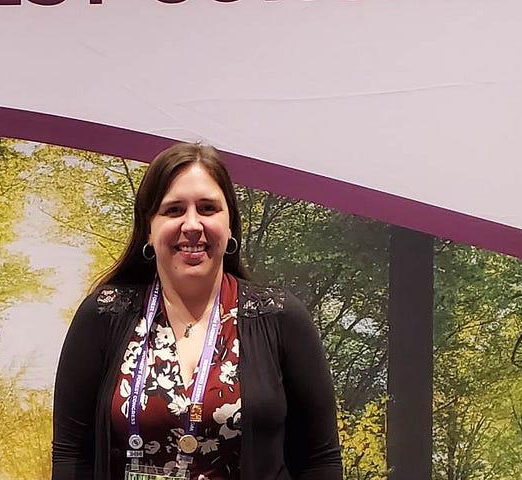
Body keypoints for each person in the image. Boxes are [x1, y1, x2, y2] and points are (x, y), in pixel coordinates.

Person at [51, 143, 343, 479]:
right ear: (149, 228)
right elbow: (71, 456)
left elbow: (320, 460)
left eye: (207, 208)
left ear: (230, 223)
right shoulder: (104, 315)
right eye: (173, 210)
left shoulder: (279, 317)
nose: (192, 224)